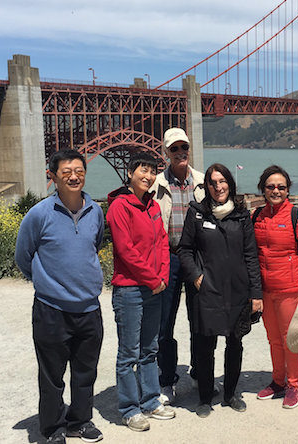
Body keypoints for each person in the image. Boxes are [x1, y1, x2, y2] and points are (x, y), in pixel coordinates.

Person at [15, 149, 105, 444]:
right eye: (66, 172)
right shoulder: (39, 214)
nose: (73, 176)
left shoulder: (96, 211)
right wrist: (47, 284)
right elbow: (23, 257)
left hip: (89, 307)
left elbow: (94, 244)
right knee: (52, 375)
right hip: (51, 309)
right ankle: (52, 429)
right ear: (52, 176)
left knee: (85, 372)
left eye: (78, 170)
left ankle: (80, 421)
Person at [178, 163, 263, 418]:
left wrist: (256, 293)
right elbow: (184, 249)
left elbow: (251, 255)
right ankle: (205, 397)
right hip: (208, 289)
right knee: (205, 345)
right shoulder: (197, 213)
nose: (218, 187)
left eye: (222, 181)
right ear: (207, 186)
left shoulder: (241, 215)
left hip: (238, 290)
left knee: (235, 343)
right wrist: (195, 277)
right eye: (213, 183)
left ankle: (230, 394)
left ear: (230, 183)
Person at [106, 152, 176, 432]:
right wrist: (152, 278)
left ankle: (150, 401)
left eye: (151, 171)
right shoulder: (119, 207)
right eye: (142, 171)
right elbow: (125, 251)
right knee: (128, 353)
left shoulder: (154, 206)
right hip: (130, 290)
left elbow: (162, 242)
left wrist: (162, 277)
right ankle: (129, 408)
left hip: (153, 287)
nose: (147, 176)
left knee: (150, 348)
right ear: (130, 174)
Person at [252, 165, 298, 409]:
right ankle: (277, 381)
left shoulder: (297, 216)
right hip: (265, 290)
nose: (276, 191)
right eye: (271, 187)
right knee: (273, 339)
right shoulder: (256, 216)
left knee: (291, 339)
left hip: (290, 289)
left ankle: (293, 385)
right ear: (263, 189)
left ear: (288, 189)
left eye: (281, 187)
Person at [149, 127, 206, 404]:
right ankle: (167, 379)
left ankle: (199, 372)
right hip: (168, 258)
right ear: (166, 153)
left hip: (196, 258)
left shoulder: (203, 182)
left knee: (199, 320)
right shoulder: (155, 184)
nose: (180, 152)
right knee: (165, 324)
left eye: (184, 147)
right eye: (174, 149)